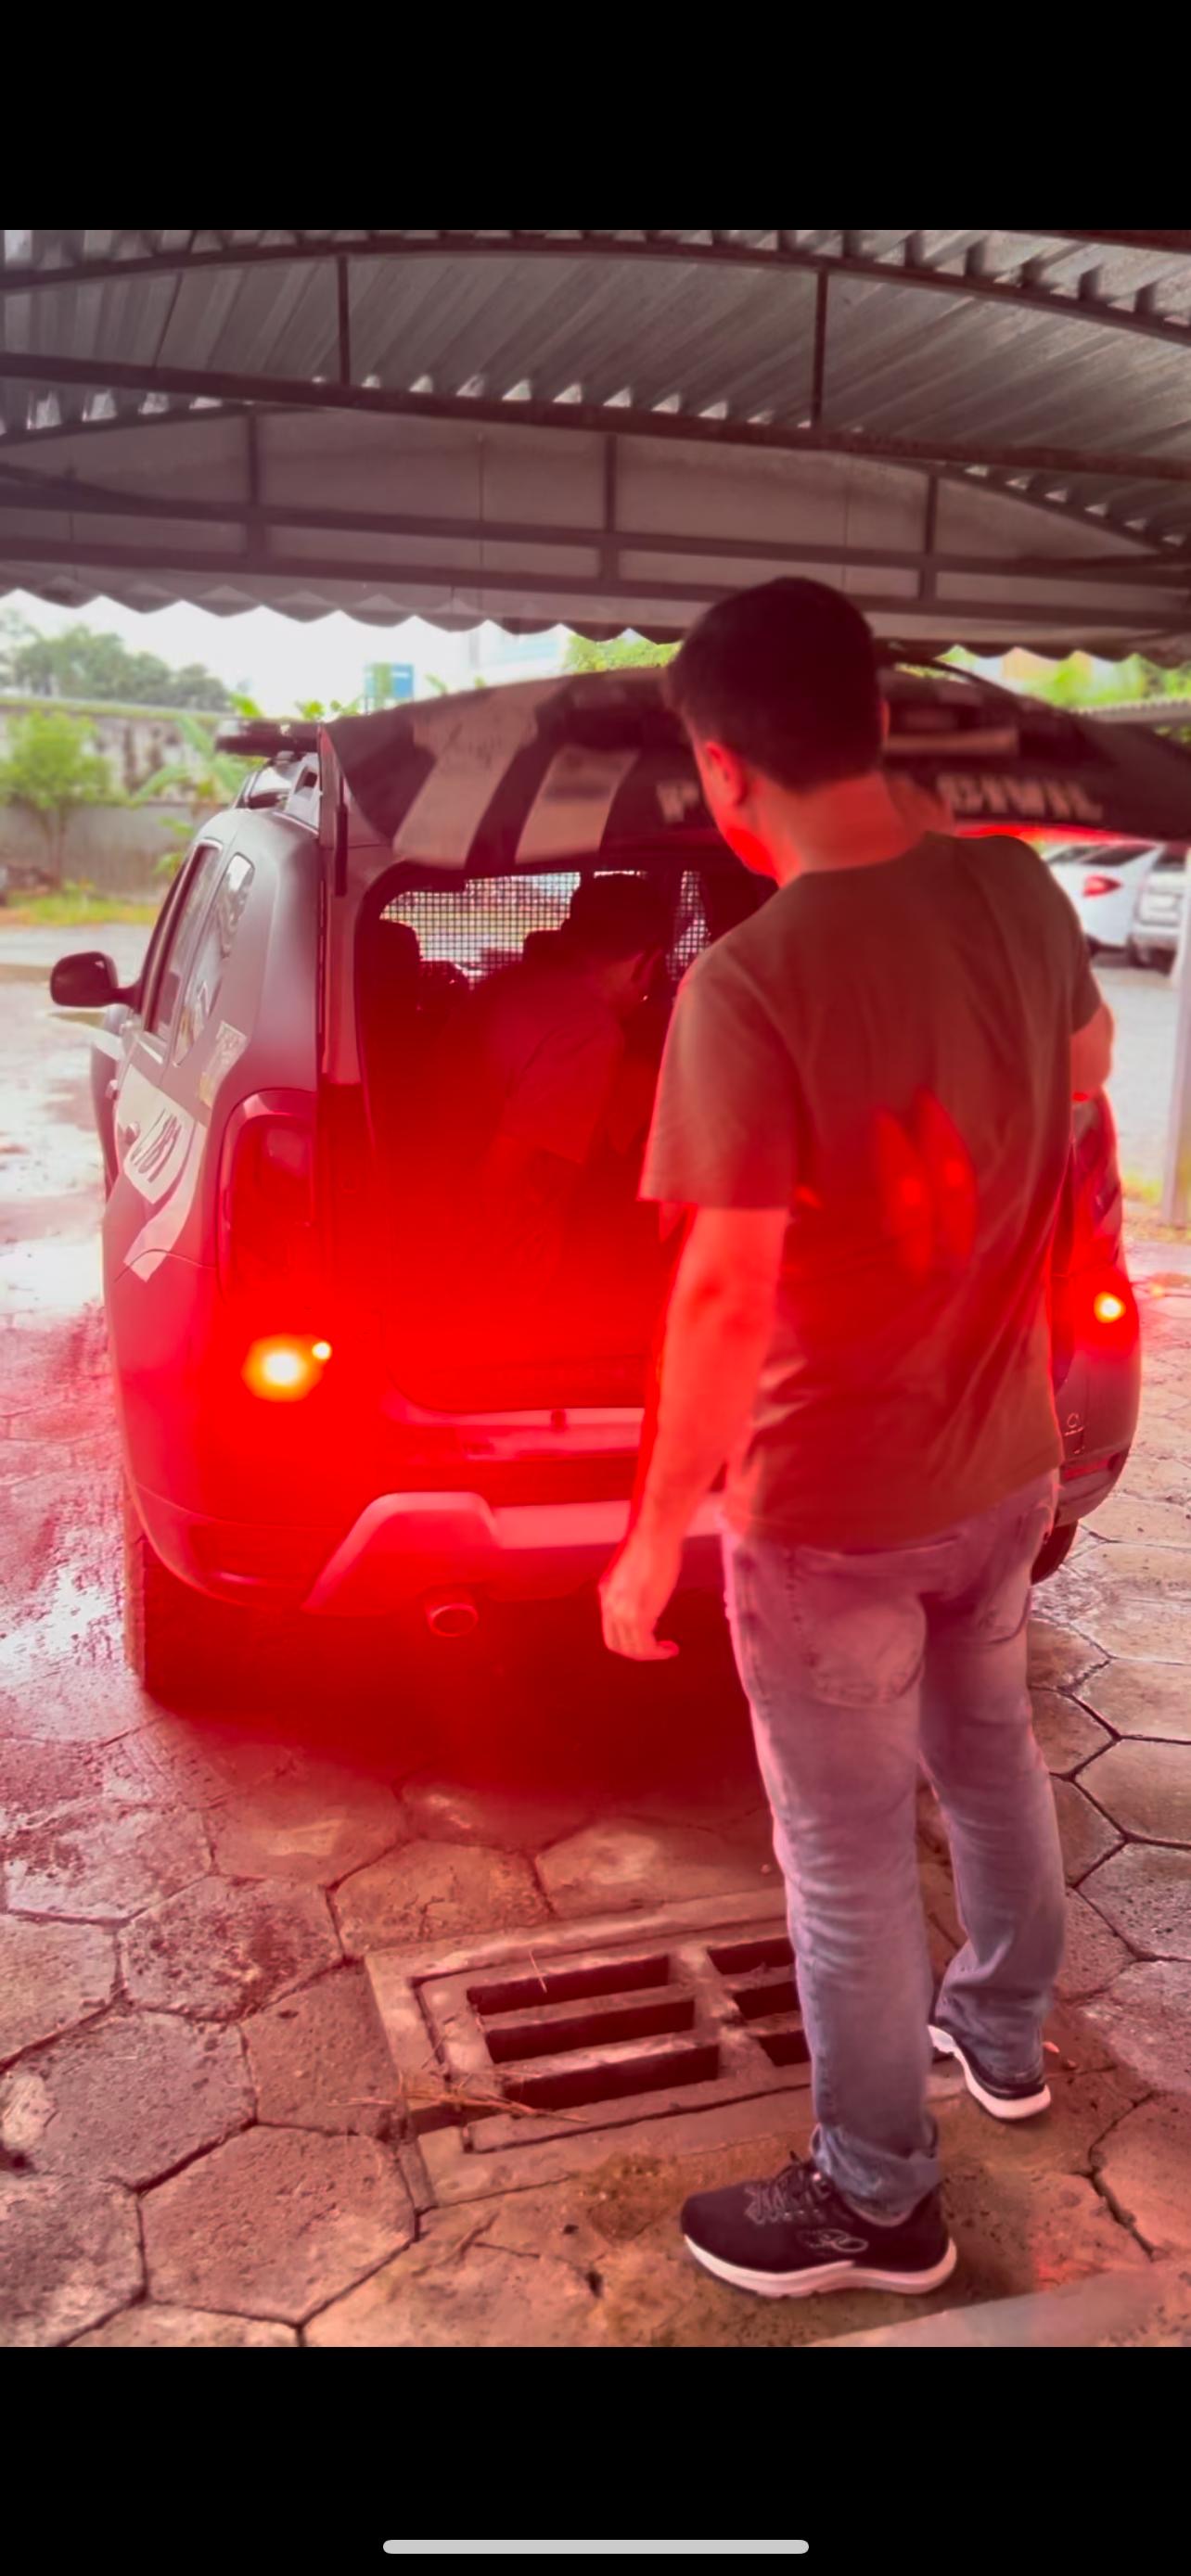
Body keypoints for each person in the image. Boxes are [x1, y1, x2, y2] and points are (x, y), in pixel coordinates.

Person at [598, 578, 1114, 2302]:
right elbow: (1088, 1061)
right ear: (879, 723)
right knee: (990, 1754)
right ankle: (1003, 2035)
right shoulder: (1012, 885)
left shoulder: (749, 984)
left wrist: (651, 1533)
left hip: (829, 1511)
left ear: (723, 771)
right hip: (1007, 1460)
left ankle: (877, 2197)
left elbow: (720, 1304)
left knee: (841, 1860)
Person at [425, 874, 671, 1361]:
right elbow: (508, 1177)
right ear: (648, 963)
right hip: (489, 1270)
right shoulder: (586, 1030)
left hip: (430, 1210)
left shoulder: (509, 985)